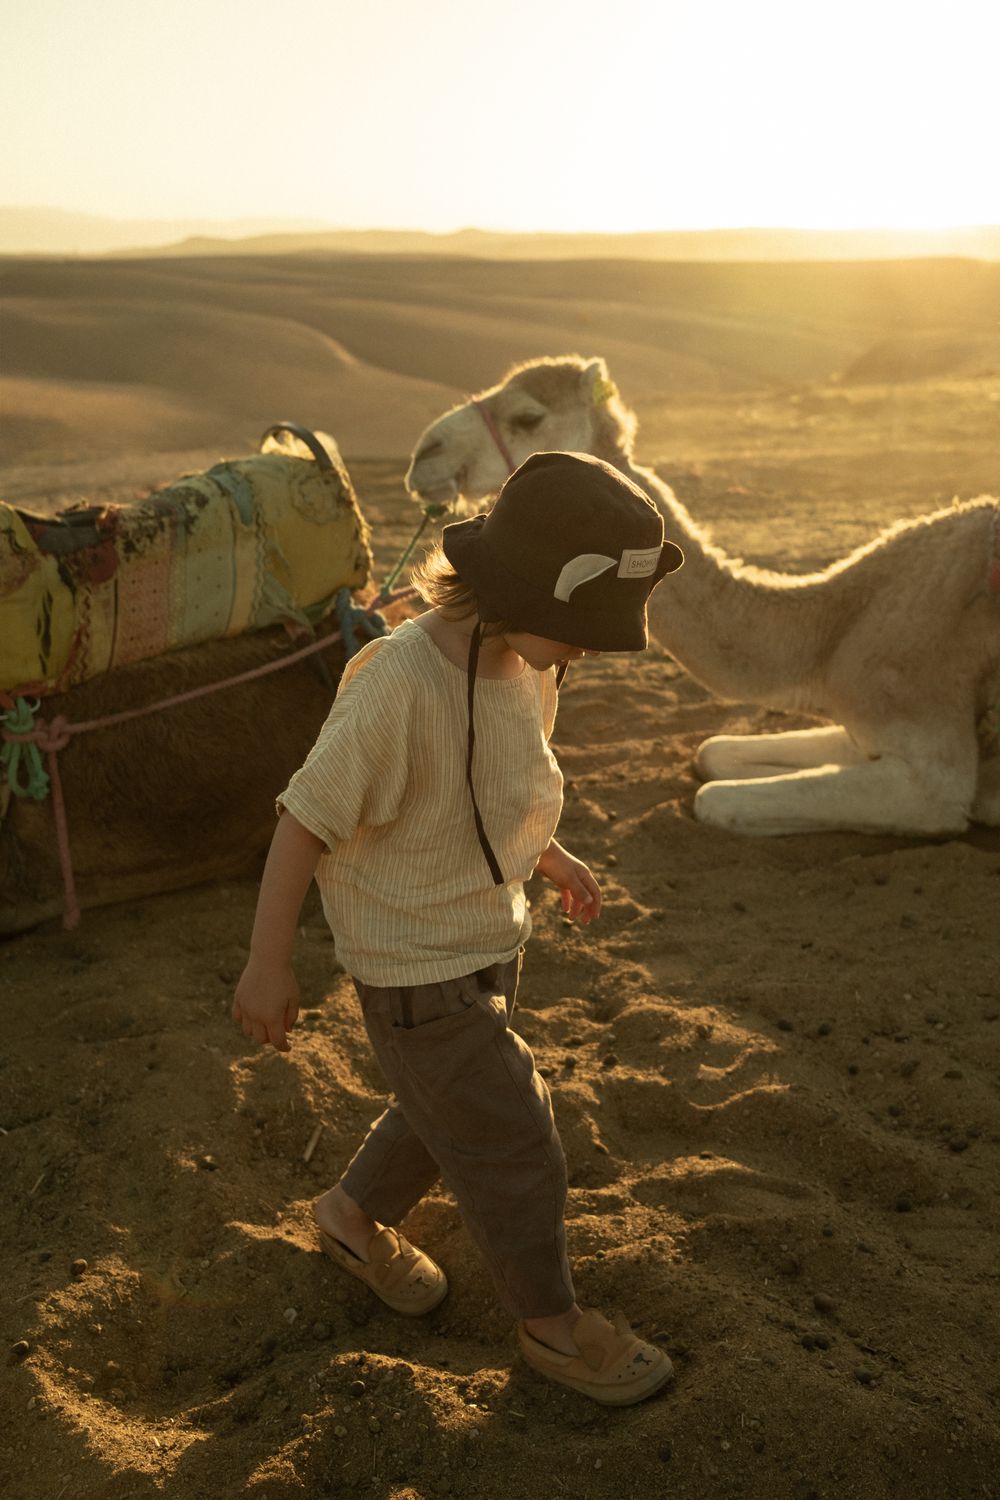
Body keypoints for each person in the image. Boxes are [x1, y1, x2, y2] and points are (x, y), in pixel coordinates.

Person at [232, 450, 683, 1405]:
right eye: (582, 634)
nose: (588, 655)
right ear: (521, 593)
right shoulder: (399, 685)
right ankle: (555, 1333)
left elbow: (495, 780)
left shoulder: (524, 659)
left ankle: (352, 1216)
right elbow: (302, 819)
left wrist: (545, 853)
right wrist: (267, 965)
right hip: (409, 967)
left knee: (446, 1110)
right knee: (516, 1140)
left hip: (485, 942)